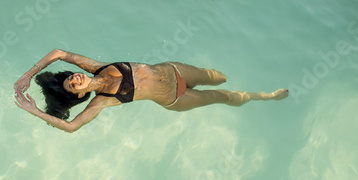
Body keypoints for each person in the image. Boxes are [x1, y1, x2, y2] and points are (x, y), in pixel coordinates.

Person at [14, 49, 288, 133]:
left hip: (176, 70)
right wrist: (35, 111)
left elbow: (60, 53)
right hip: (177, 98)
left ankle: (246, 79)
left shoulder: (96, 67)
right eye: (73, 86)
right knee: (224, 97)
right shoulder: (101, 102)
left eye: (71, 78)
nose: (74, 79)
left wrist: (29, 74)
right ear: (79, 95)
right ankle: (264, 96)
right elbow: (72, 127)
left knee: (219, 77)